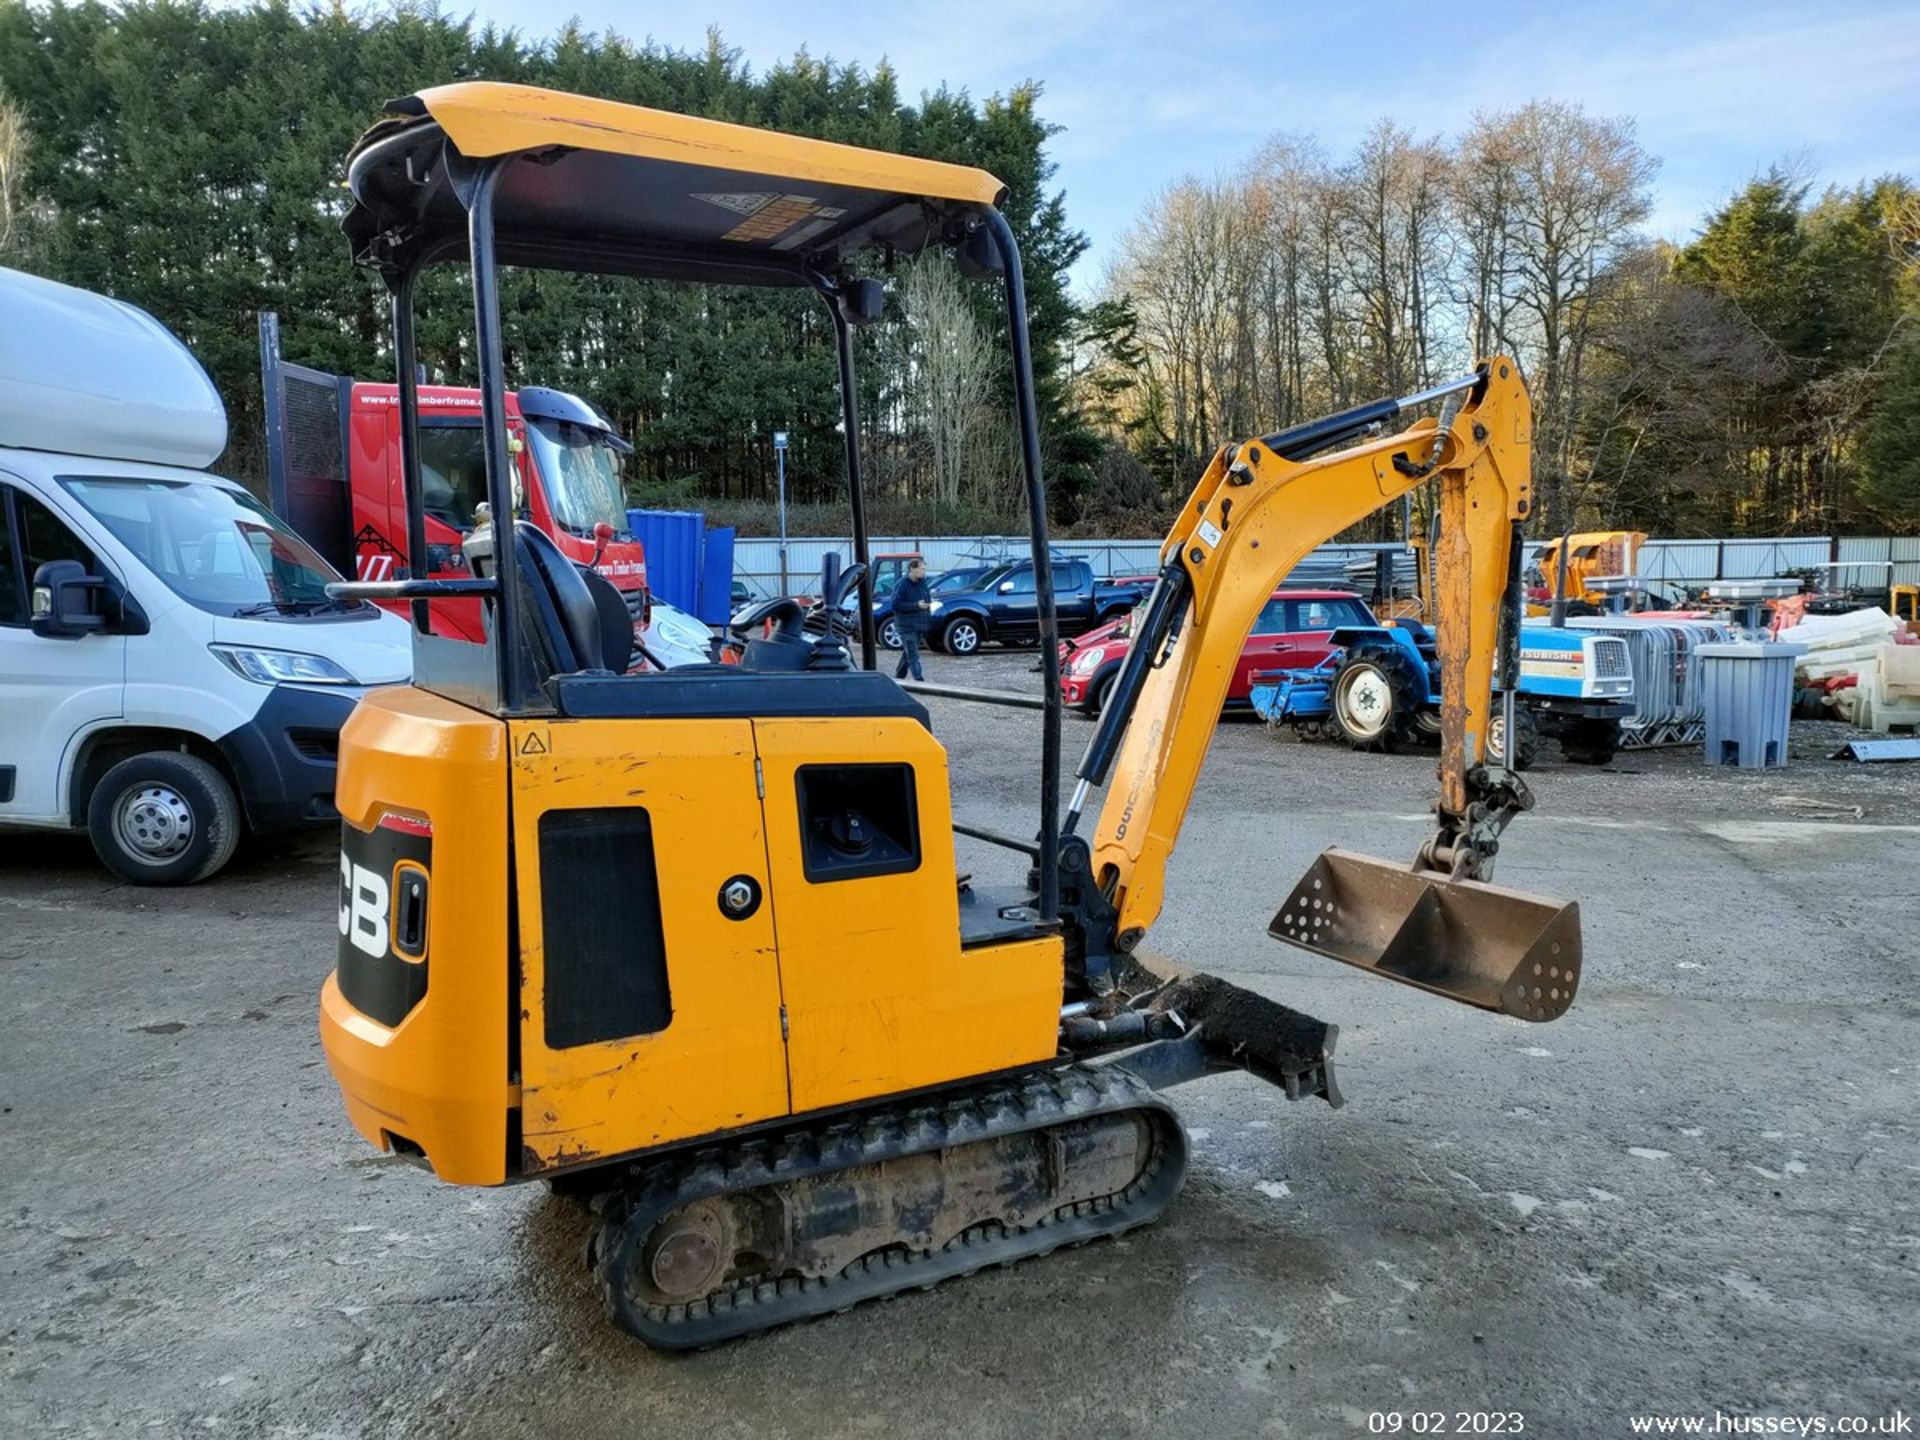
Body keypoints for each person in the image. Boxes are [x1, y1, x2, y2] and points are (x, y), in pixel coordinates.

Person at [892, 559, 933, 681]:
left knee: (908, 654)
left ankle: (898, 679)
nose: (924, 572)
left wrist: (928, 603)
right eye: (922, 569)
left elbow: (926, 599)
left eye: (924, 569)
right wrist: (916, 605)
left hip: (920, 625)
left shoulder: (922, 583)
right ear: (912, 569)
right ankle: (920, 680)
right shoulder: (902, 584)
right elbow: (895, 605)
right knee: (913, 655)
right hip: (906, 626)